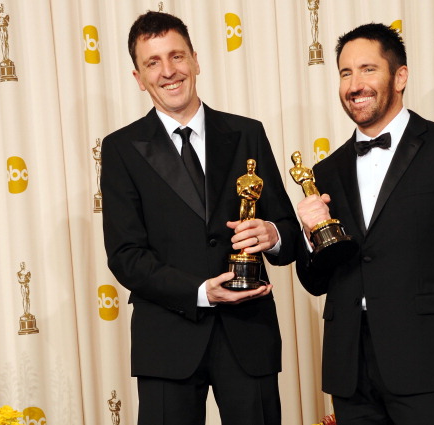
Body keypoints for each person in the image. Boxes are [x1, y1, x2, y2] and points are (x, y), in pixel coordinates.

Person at [294, 23, 434, 425]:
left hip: (427, 361)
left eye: (368, 69)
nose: (355, 84)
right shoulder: (326, 170)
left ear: (400, 76)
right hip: (349, 367)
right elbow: (316, 281)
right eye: (345, 73)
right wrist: (310, 238)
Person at [101, 11, 299, 425]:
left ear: (195, 60)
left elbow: (289, 237)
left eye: (176, 56)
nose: (168, 71)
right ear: (138, 77)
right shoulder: (120, 149)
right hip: (167, 340)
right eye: (153, 62)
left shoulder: (248, 133)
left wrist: (273, 233)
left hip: (249, 333)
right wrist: (200, 291)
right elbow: (125, 255)